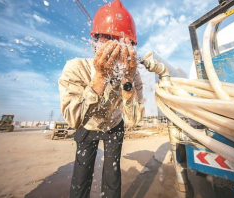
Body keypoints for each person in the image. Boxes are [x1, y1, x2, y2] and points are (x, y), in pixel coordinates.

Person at [58, 0, 144, 197]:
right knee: (81, 175)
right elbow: (73, 119)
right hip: (88, 126)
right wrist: (99, 78)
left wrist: (127, 82)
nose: (116, 49)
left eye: (123, 43)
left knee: (112, 174)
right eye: (108, 40)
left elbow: (133, 120)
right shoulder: (76, 68)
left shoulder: (131, 73)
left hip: (114, 125)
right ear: (94, 41)